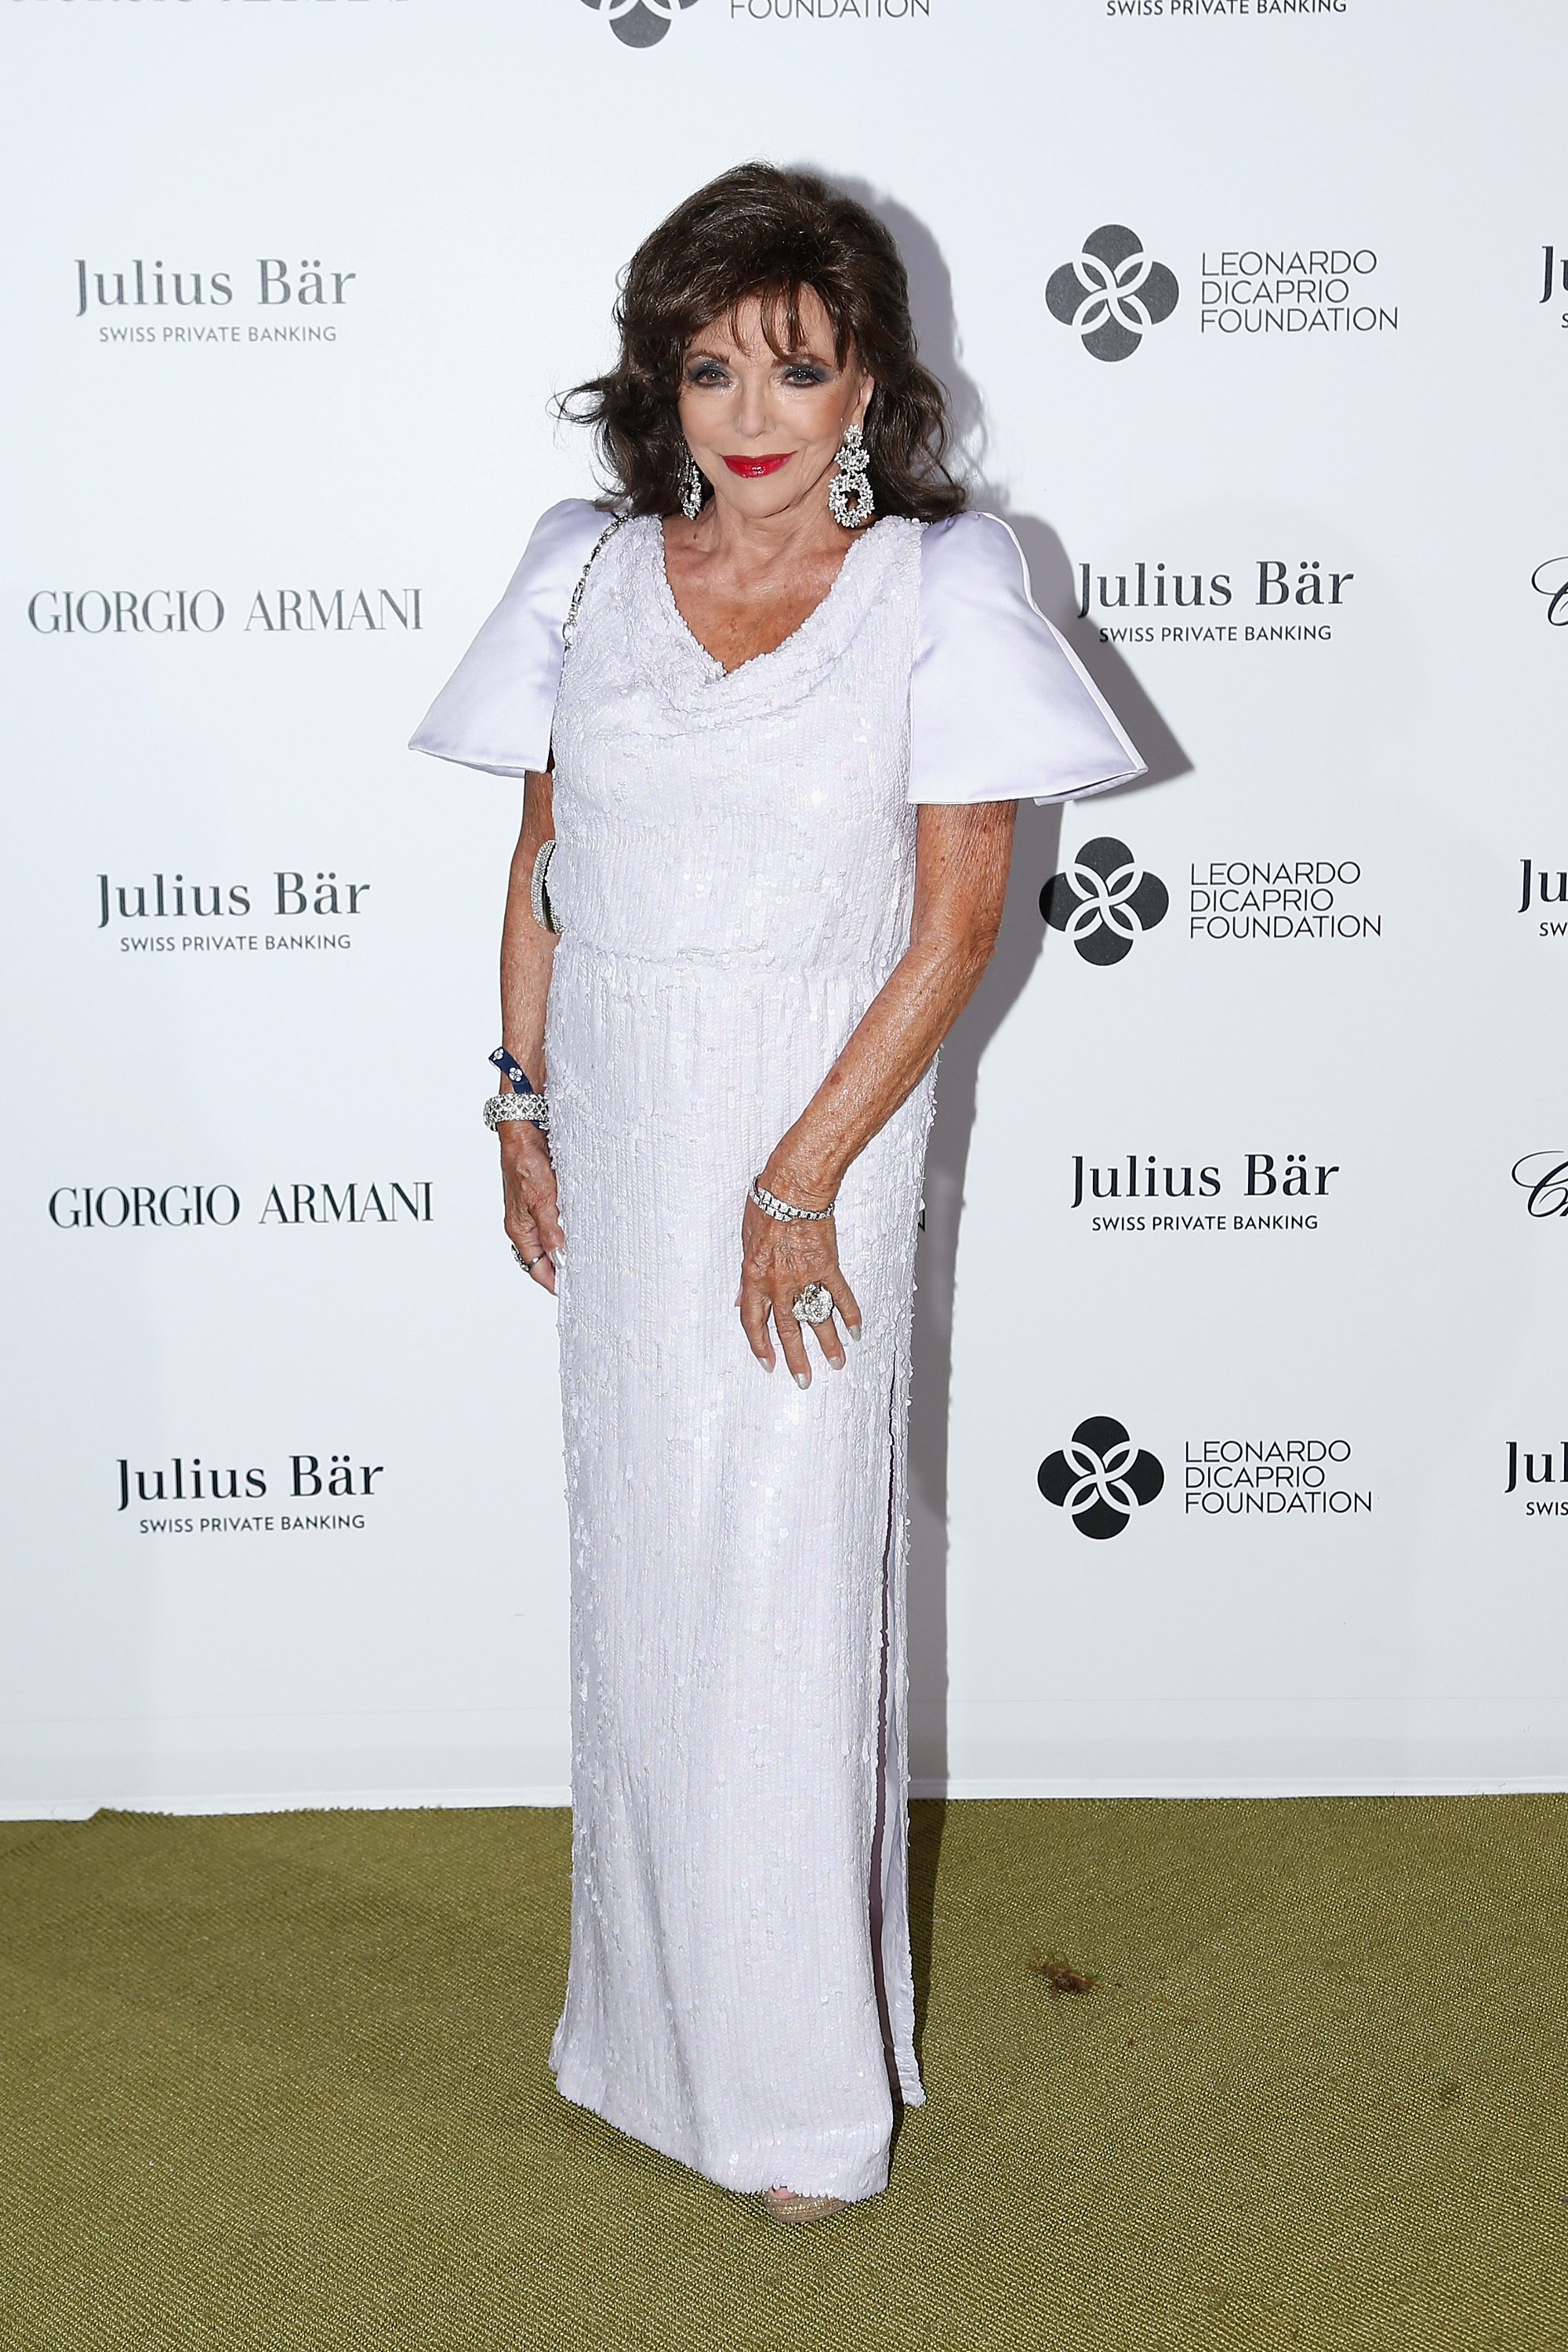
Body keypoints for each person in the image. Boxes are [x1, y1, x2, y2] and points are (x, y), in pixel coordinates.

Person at [412, 163, 1143, 2221]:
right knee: (649, 1592)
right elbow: (545, 865)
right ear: (662, 381)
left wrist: (803, 1175)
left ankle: (801, 2098)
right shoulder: (585, 570)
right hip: (634, 1130)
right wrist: (515, 1102)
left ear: (867, 389)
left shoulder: (947, 583)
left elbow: (960, 920)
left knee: (789, 1598)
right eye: (710, 363)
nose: (751, 408)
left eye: (796, 367)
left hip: (818, 1122)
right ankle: (644, 2046)